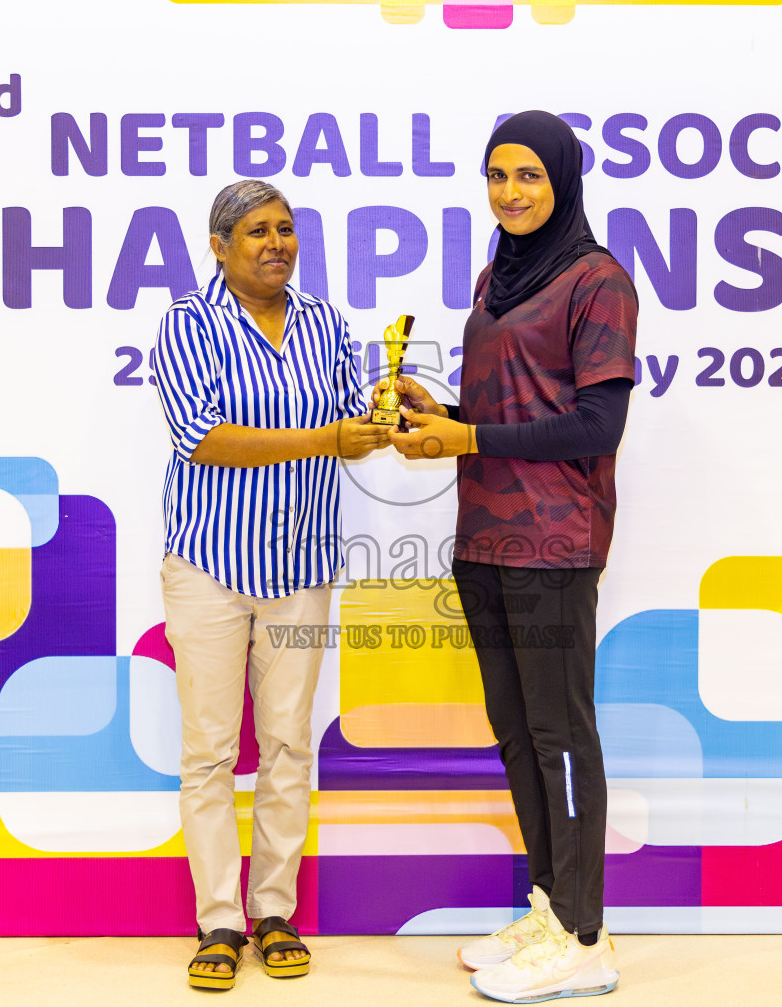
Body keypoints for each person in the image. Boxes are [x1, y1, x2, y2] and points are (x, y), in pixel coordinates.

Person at [383, 111, 638, 1004]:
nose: (511, 192)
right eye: (497, 175)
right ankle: (550, 905)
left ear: (563, 180)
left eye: (529, 175)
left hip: (555, 542)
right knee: (519, 736)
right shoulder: (498, 276)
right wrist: (437, 406)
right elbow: (512, 403)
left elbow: (597, 423)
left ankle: (586, 937)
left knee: (563, 737)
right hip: (484, 536)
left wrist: (468, 434)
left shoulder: (597, 280)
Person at [154, 180, 391, 990]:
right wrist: (326, 436)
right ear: (218, 246)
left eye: (286, 229)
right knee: (212, 751)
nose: (276, 244)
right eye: (256, 231)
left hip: (300, 569)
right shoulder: (188, 324)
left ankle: (274, 910)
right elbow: (205, 438)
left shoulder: (325, 322)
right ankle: (218, 921)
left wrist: (381, 420)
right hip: (210, 567)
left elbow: (346, 420)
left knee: (289, 743)